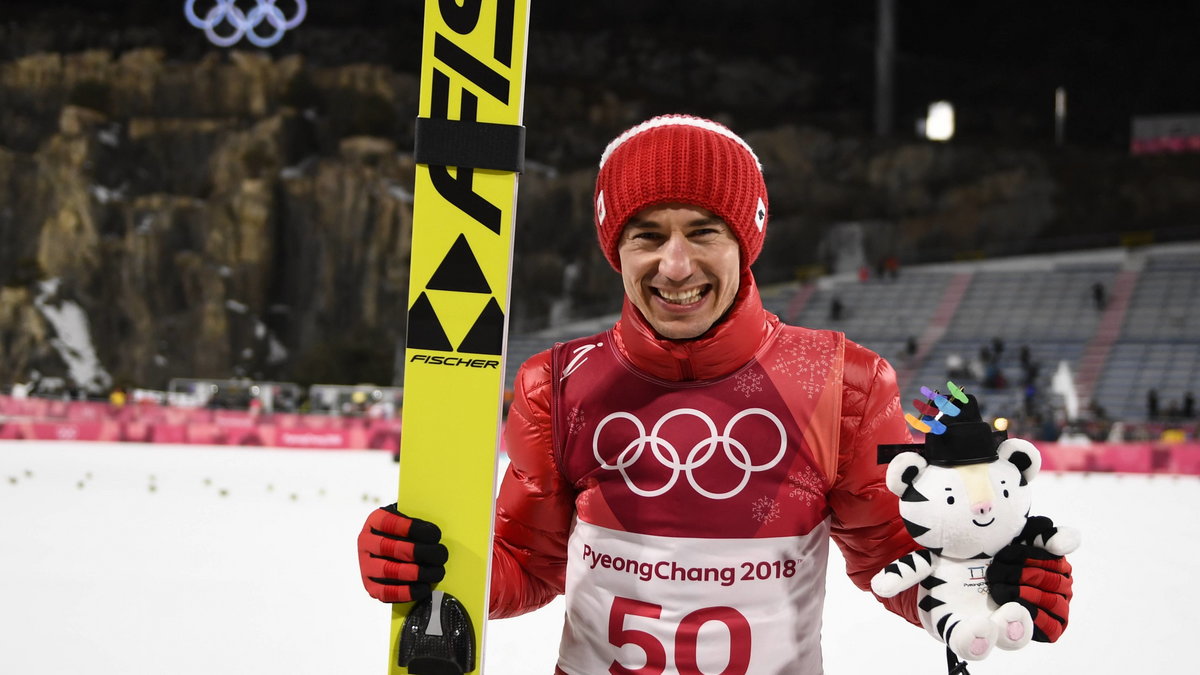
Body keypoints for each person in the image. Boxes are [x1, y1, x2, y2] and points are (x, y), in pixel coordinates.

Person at [357, 115, 1074, 673]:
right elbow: (525, 566)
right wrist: (431, 559)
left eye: (703, 232)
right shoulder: (558, 384)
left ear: (746, 240)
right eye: (646, 236)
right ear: (617, 250)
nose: (675, 265)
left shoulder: (842, 382)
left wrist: (989, 582)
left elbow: (893, 554)